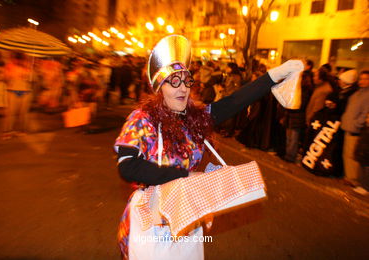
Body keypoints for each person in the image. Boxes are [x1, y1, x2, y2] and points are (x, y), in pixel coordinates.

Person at [114, 35, 304, 260]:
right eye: (174, 81)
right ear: (159, 87)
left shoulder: (196, 117)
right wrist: (185, 175)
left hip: (187, 213)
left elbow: (235, 102)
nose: (183, 88)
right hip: (153, 216)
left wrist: (275, 75)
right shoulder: (143, 119)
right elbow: (127, 166)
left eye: (186, 80)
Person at [340, 70, 369, 191]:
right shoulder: (357, 93)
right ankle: (349, 176)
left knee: (353, 155)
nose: (362, 81)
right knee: (347, 154)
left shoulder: (367, 95)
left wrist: (357, 124)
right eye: (361, 78)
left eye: (365, 79)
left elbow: (364, 113)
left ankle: (354, 179)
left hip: (355, 129)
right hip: (348, 126)